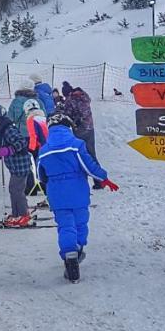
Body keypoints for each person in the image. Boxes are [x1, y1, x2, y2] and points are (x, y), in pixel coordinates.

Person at [36, 112, 117, 282]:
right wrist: (104, 178)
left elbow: (40, 176)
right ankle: (78, 249)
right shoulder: (76, 144)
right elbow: (89, 167)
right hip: (78, 192)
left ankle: (69, 256)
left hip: (57, 195)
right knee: (80, 223)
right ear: (68, 127)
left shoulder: (44, 150)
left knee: (65, 226)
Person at [0, 104, 32, 227]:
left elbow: (22, 142)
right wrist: (2, 152)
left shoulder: (8, 129)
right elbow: (6, 144)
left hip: (20, 165)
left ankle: (23, 215)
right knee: (14, 189)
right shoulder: (3, 129)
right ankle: (17, 214)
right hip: (15, 166)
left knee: (16, 190)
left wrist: (9, 150)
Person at [60, 82, 101, 188]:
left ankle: (83, 180)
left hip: (79, 130)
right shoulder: (83, 96)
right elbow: (85, 112)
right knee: (92, 154)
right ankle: (99, 179)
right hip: (89, 128)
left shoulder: (70, 99)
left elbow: (68, 115)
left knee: (80, 155)